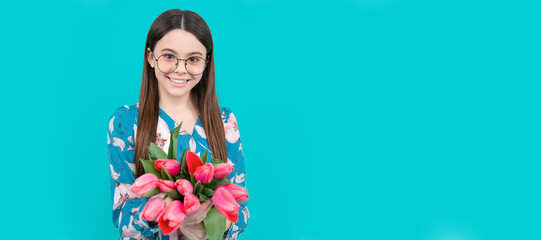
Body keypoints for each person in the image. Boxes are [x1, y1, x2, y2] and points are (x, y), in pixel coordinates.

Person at [106, 9, 249, 240]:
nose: (180, 69)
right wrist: (175, 214)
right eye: (169, 56)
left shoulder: (224, 122)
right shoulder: (126, 122)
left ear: (206, 62)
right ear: (151, 57)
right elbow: (123, 217)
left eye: (193, 59)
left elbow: (240, 209)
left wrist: (210, 226)